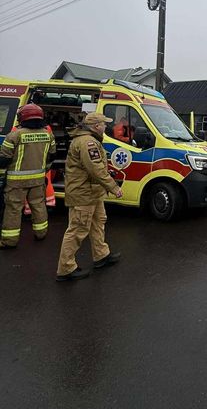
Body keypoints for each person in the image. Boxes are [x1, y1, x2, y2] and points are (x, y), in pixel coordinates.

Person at [56, 112, 123, 282]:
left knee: (98, 223)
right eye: (104, 124)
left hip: (92, 192)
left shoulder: (89, 140)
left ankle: (101, 255)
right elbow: (96, 169)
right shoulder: (88, 142)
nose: (106, 126)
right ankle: (66, 268)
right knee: (78, 229)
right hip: (83, 193)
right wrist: (113, 187)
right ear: (96, 126)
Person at [0, 104, 56, 248]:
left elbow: (4, 159)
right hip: (38, 179)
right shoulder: (48, 134)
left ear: (22, 118)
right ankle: (41, 233)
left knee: (13, 209)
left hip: (15, 182)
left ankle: (9, 241)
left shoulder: (14, 135)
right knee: (38, 206)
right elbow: (51, 156)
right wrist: (44, 171)